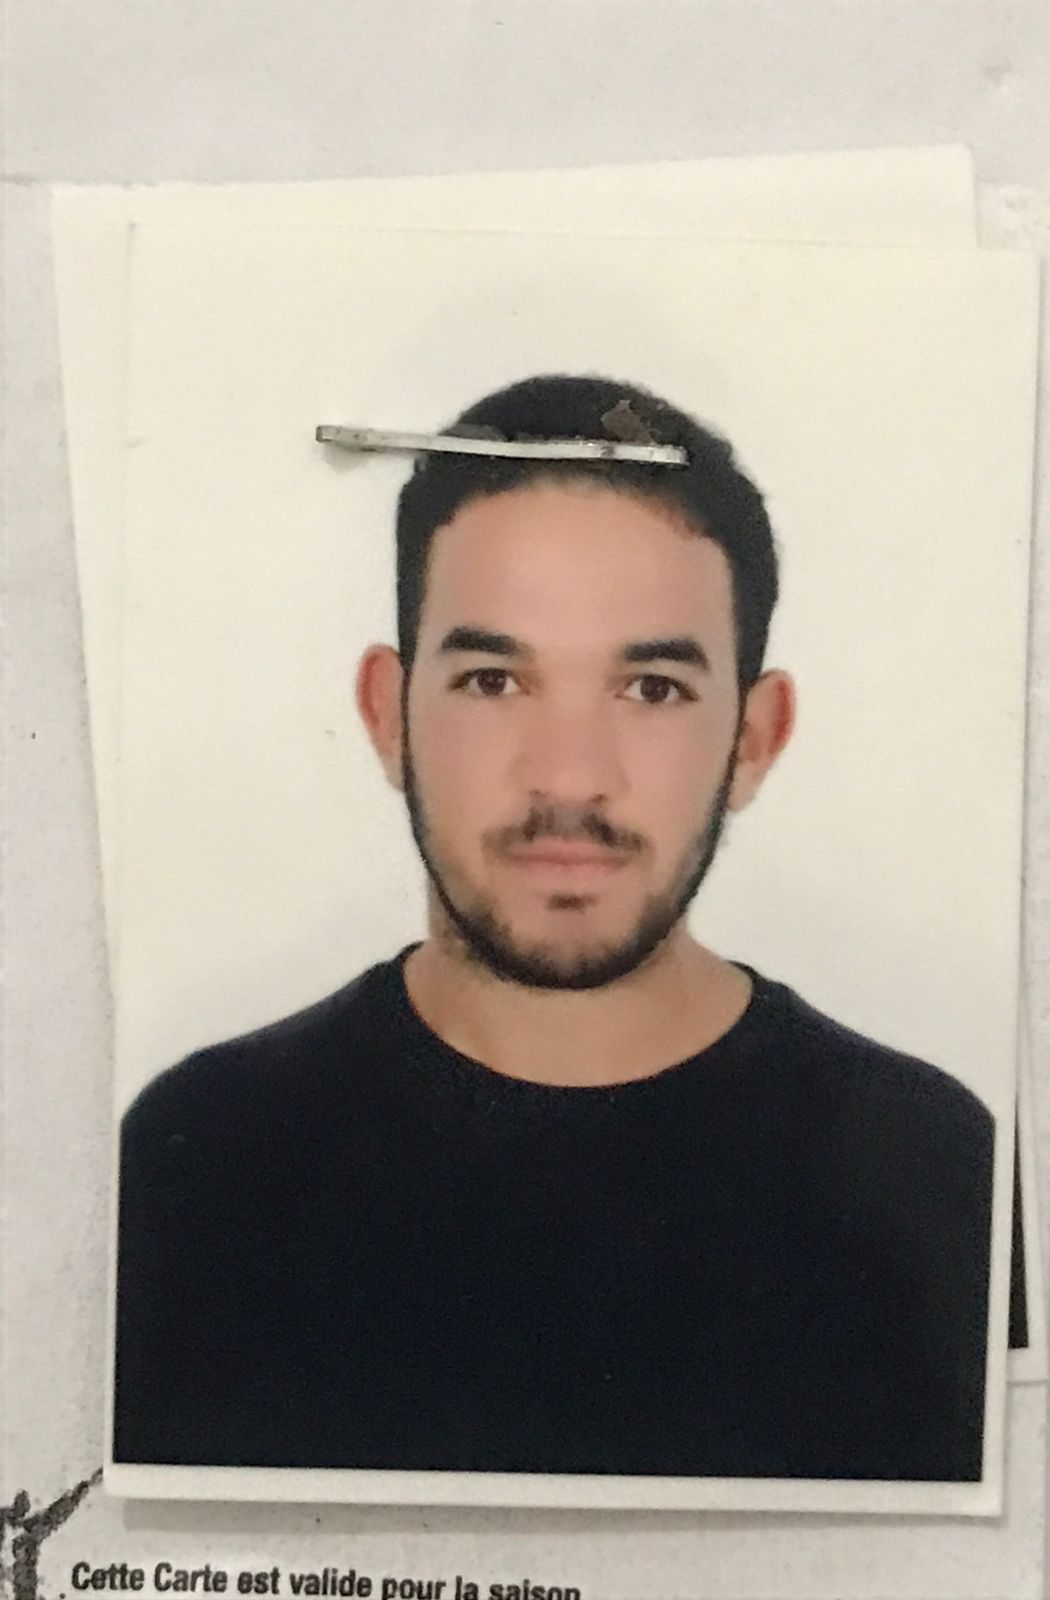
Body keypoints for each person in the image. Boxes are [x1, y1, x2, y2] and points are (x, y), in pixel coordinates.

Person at [113, 374, 995, 1483]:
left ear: (755, 738)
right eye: (493, 680)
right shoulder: (198, 1163)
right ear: (388, 716)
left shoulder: (937, 1174)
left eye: (653, 688)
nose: (569, 776)